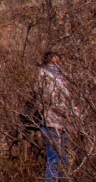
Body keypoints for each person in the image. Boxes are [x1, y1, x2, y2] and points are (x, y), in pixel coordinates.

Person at [38, 51, 71, 181]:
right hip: (52, 123)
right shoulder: (46, 78)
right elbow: (52, 102)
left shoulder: (61, 78)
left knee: (63, 159)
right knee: (54, 159)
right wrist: (69, 113)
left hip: (61, 123)